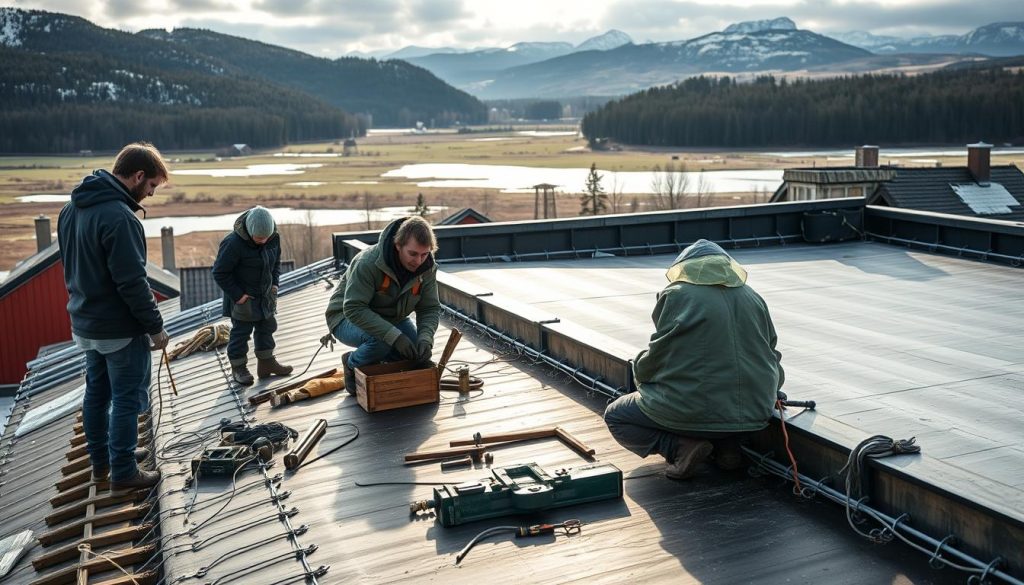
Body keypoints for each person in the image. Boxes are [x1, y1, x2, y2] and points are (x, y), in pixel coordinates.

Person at [604, 239, 784, 480]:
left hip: (690, 411)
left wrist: (640, 370)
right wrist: (773, 390)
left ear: (685, 268)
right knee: (725, 409)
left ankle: (680, 448)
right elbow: (772, 353)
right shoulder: (753, 296)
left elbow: (659, 353)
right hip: (755, 412)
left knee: (616, 416)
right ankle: (728, 449)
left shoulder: (677, 294)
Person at [57, 142, 170, 491]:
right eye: (150, 186)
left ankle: (103, 462)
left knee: (96, 394)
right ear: (137, 175)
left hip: (85, 322)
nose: (149, 194)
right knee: (124, 396)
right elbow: (133, 283)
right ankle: (123, 471)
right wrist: (155, 328)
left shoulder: (71, 209)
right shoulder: (120, 218)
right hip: (118, 328)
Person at [325, 216, 440, 394]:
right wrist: (395, 337)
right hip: (345, 318)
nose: (418, 261)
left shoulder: (428, 268)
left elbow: (429, 308)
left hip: (392, 318)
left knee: (416, 352)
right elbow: (353, 309)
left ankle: (379, 360)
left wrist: (425, 338)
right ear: (398, 245)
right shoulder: (367, 263)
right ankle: (352, 363)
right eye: (413, 254)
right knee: (382, 341)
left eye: (424, 254)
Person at [213, 206, 292, 385]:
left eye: (266, 238)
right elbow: (220, 273)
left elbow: (276, 263)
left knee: (267, 327)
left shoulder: (273, 238)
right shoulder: (232, 243)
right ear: (249, 231)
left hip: (266, 296)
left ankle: (266, 364)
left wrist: (275, 284)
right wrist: (238, 295)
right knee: (241, 334)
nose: (263, 241)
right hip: (243, 299)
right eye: (259, 238)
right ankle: (239, 368)